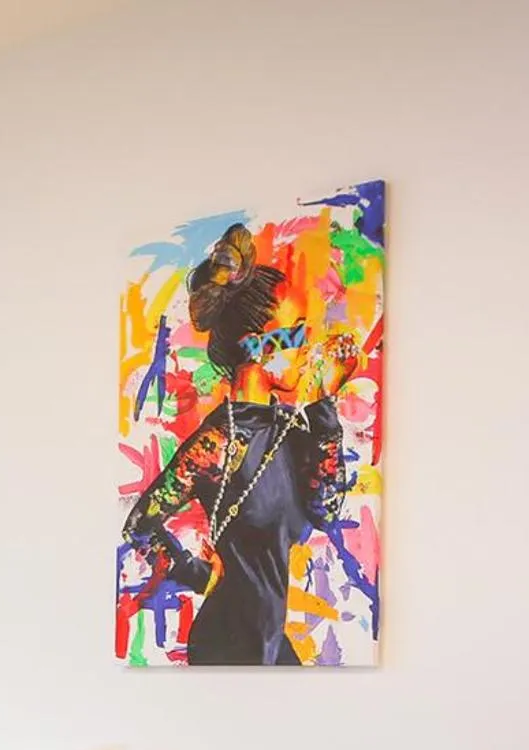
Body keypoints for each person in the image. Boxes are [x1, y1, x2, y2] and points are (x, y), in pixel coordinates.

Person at [122, 224, 361, 665]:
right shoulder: (218, 442)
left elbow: (325, 512)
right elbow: (140, 525)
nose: (307, 346)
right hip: (226, 643)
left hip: (271, 646)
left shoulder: (292, 430)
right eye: (296, 333)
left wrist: (325, 402)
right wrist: (199, 576)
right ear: (256, 346)